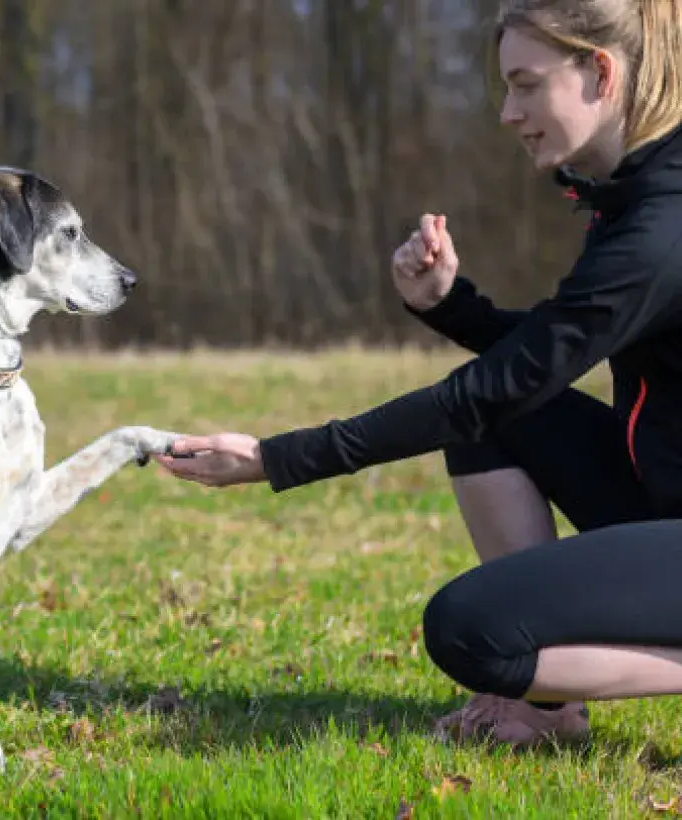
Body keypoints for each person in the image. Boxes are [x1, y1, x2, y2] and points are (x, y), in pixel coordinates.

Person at [155, 0, 682, 748]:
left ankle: (533, 692)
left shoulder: (661, 226)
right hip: (663, 500)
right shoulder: (636, 197)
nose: (508, 113)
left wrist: (277, 457)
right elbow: (530, 370)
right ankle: (548, 713)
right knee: (499, 426)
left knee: (472, 634)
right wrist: (452, 307)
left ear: (601, 72)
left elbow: (493, 387)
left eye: (526, 85)